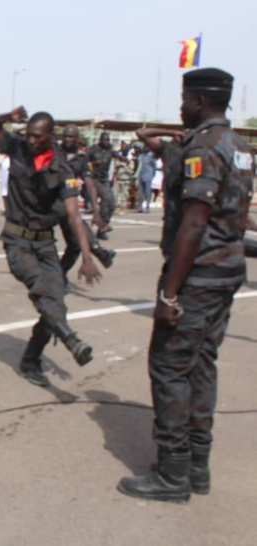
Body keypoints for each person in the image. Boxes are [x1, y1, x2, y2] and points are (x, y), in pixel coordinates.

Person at [119, 68, 255, 503]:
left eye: (184, 98)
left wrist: (169, 293)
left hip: (197, 277)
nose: (180, 106)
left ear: (198, 101)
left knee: (169, 367)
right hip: (227, 272)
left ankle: (173, 474)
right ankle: (197, 466)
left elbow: (194, 223)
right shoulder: (240, 146)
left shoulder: (203, 147)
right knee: (202, 365)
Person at [0, 107, 101, 388]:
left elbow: (73, 216)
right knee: (41, 288)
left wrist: (87, 256)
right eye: (29, 135)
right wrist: (7, 117)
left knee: (56, 302)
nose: (31, 140)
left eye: (38, 136)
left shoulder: (62, 168)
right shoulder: (17, 146)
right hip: (17, 242)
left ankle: (30, 360)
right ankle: (71, 340)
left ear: (51, 136)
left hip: (45, 244)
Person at [58, 125, 115, 284]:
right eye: (65, 136)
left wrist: (96, 211)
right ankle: (99, 252)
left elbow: (89, 184)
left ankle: (59, 274)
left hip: (68, 200)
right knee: (78, 226)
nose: (67, 139)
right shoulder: (55, 152)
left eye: (71, 137)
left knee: (75, 243)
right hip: (52, 201)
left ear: (77, 139)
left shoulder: (82, 159)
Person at [87, 132, 117, 239]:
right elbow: (83, 163)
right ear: (100, 140)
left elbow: (118, 155)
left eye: (108, 140)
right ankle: (101, 224)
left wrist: (124, 159)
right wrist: (95, 163)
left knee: (110, 205)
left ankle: (102, 229)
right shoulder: (93, 150)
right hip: (94, 179)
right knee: (107, 197)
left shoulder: (110, 150)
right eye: (104, 140)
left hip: (104, 180)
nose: (106, 142)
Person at [137, 146, 157, 213]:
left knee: (147, 192)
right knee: (140, 193)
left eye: (147, 147)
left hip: (148, 175)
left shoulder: (151, 156)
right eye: (145, 147)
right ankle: (140, 207)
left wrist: (152, 175)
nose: (146, 148)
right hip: (140, 175)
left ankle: (147, 206)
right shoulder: (141, 155)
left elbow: (154, 166)